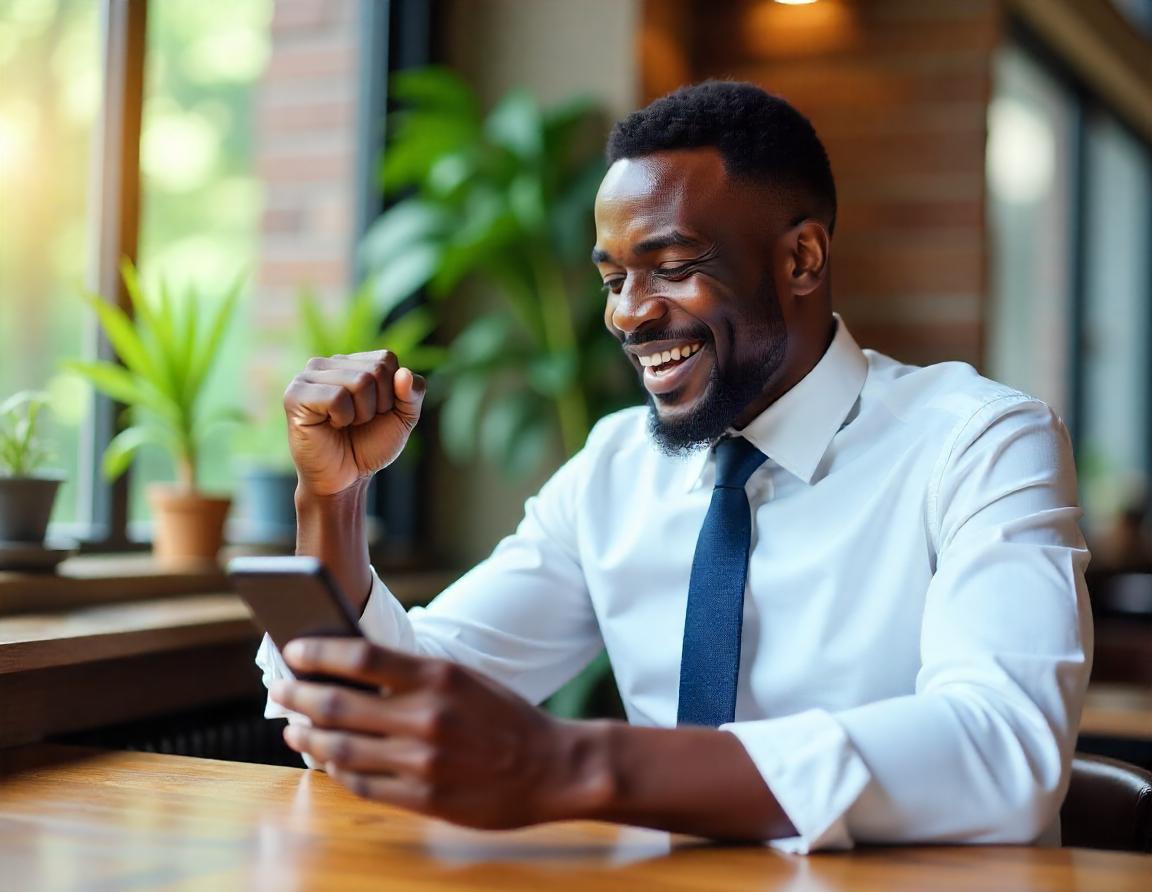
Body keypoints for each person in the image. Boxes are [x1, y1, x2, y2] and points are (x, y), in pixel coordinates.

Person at [258, 81, 1091, 853]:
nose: (627, 315)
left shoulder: (980, 443)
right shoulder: (613, 469)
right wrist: (332, 502)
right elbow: (377, 708)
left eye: (673, 266)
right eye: (614, 278)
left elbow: (1005, 749)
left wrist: (574, 765)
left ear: (801, 259)